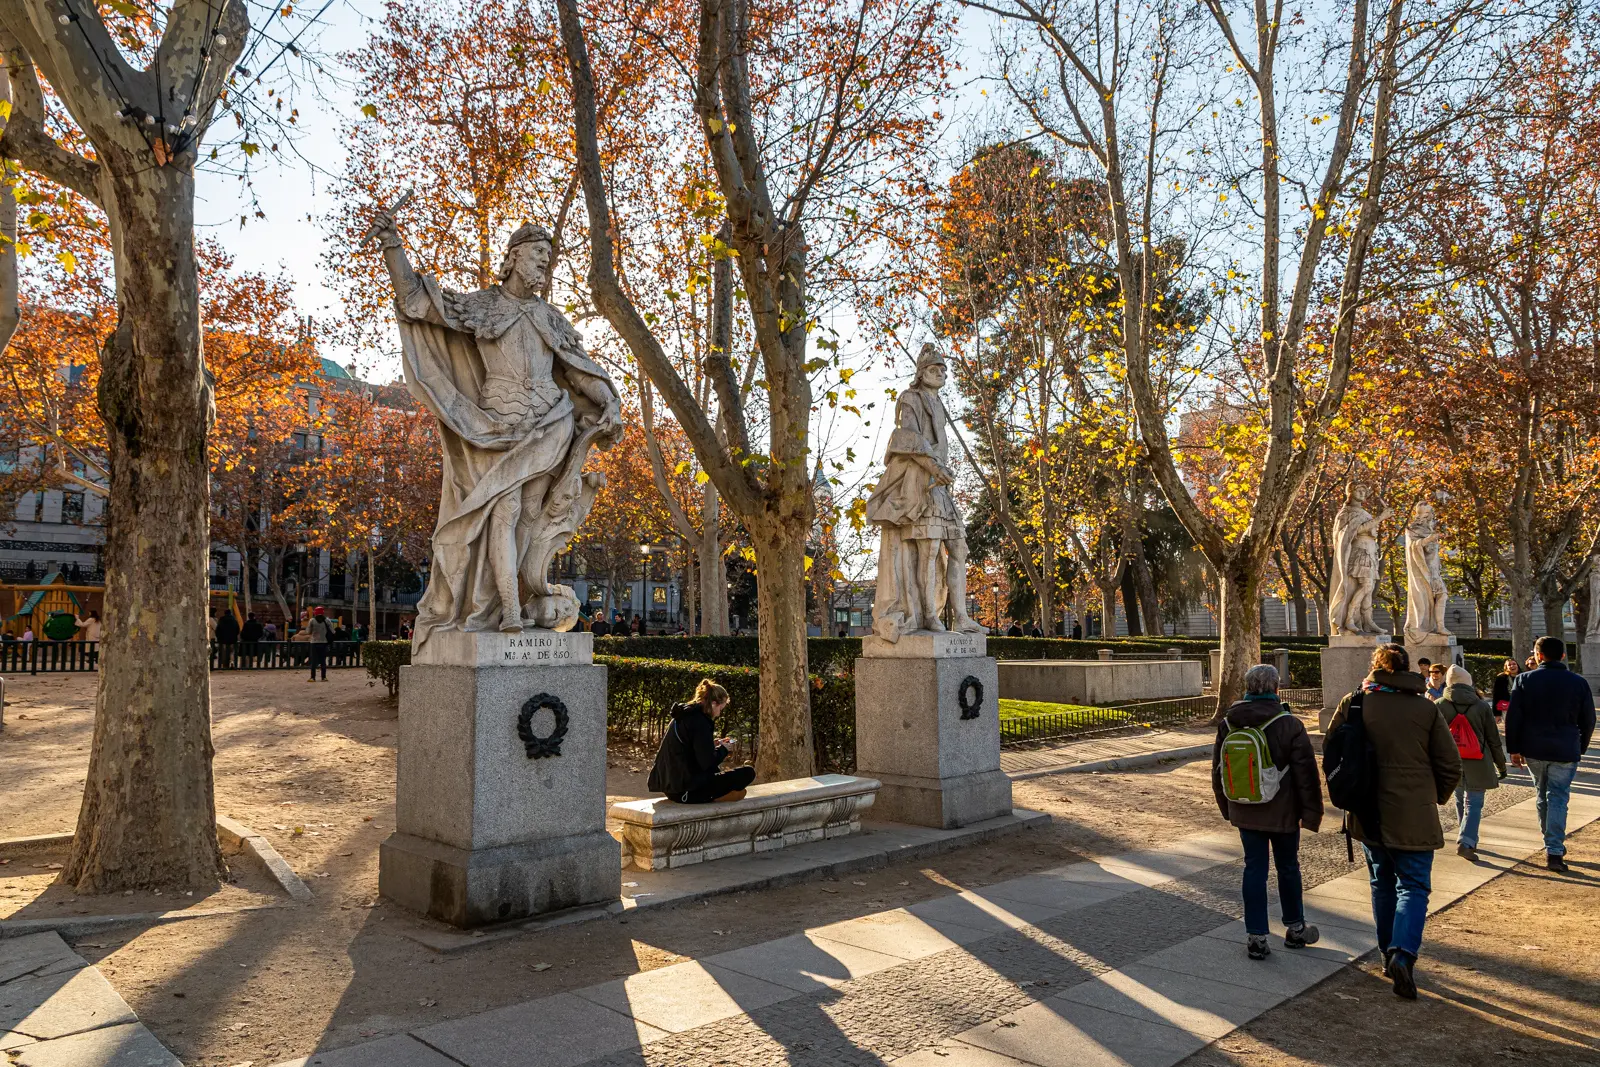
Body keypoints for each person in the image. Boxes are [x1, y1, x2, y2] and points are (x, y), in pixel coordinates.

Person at [1326, 642, 1460, 1000]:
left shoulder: (1354, 701)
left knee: (1381, 884)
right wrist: (1432, 797)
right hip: (1414, 812)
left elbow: (1332, 751)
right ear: (1408, 671)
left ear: (1376, 668)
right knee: (1414, 886)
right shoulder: (1426, 708)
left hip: (1367, 811)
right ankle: (1404, 952)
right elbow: (1450, 765)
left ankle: (1387, 954)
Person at [1211, 663, 1323, 960]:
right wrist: (1311, 814)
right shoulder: (1289, 724)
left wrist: (1227, 808)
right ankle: (1295, 928)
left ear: (1247, 688)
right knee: (1287, 867)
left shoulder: (1229, 722)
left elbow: (1218, 771)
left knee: (1254, 869)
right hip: (1283, 812)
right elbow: (1306, 775)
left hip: (1244, 807)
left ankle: (1256, 935)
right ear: (1276, 688)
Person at [1505, 636, 1596, 874]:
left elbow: (1514, 717)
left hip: (1534, 747)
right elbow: (1588, 720)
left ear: (1538, 655)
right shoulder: (1578, 682)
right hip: (1565, 747)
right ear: (1563, 656)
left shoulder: (1524, 680)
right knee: (1558, 797)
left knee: (1541, 795)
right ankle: (1554, 849)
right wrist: (1581, 746)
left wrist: (1513, 749)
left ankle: (1550, 841)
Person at [1436, 663, 1506, 862]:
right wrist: (1500, 765)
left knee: (1459, 798)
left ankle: (1465, 834)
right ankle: (1466, 841)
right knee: (1474, 803)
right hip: (1478, 760)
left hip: (1450, 761)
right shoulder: (1481, 706)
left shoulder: (1440, 704)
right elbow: (1493, 739)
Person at [647, 679, 756, 803]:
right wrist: (724, 749)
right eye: (721, 708)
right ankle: (717, 796)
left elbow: (688, 749)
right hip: (686, 791)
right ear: (714, 704)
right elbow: (707, 762)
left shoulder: (684, 714)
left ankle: (720, 794)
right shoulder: (700, 722)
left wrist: (711, 744)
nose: (719, 714)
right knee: (748, 773)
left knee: (719, 774)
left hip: (672, 787)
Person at [307, 607, 334, 683]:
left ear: (315, 612)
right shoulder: (327, 620)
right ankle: (323, 677)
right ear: (323, 612)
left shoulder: (312, 620)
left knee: (313, 661)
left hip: (314, 642)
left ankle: (312, 677)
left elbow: (308, 631)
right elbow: (333, 631)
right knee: (323, 660)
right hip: (324, 642)